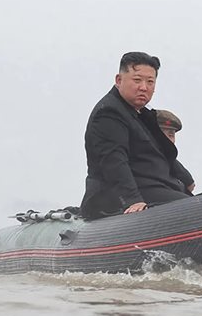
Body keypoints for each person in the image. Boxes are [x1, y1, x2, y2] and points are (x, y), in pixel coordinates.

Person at [80, 51, 193, 219]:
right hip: (118, 195)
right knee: (188, 208)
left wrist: (186, 179)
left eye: (150, 82)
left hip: (156, 186)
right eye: (137, 80)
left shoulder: (141, 115)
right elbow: (113, 161)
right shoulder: (108, 113)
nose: (144, 87)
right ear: (119, 80)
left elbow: (160, 151)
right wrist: (132, 200)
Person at [156, 109, 196, 193]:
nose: (167, 139)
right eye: (161, 133)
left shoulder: (169, 159)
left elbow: (190, 185)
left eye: (171, 135)